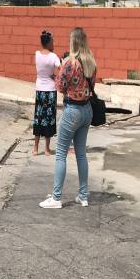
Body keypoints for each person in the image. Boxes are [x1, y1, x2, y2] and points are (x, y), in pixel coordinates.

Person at [40, 28, 96, 209]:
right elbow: (92, 85)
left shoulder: (69, 63)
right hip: (87, 110)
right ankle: (83, 195)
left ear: (73, 42)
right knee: (81, 153)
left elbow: (60, 86)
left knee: (61, 153)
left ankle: (56, 198)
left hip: (72, 109)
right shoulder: (91, 62)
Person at [33, 30, 61, 156]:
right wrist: (54, 77)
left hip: (39, 89)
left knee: (38, 117)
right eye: (53, 41)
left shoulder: (37, 54)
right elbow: (61, 70)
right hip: (50, 90)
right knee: (49, 118)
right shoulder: (53, 56)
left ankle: (35, 148)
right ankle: (47, 149)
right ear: (49, 42)